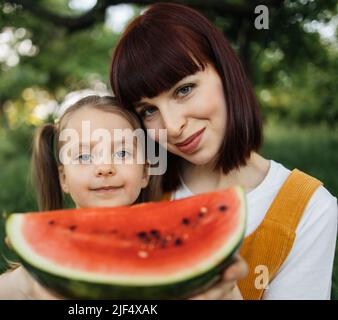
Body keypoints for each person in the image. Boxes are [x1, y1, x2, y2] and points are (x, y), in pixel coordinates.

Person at [109, 2, 337, 299]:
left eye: (184, 89)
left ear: (226, 72)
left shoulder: (311, 210)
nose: (173, 126)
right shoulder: (141, 186)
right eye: (149, 110)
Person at [0, 95, 155, 299]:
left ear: (145, 172)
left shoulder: (163, 250)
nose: (104, 168)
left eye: (122, 153)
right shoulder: (31, 279)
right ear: (64, 178)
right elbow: (2, 289)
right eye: (84, 156)